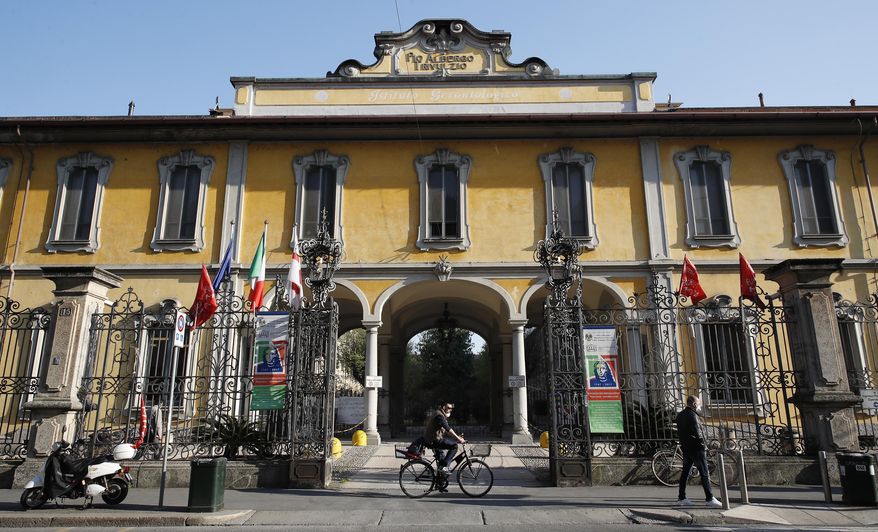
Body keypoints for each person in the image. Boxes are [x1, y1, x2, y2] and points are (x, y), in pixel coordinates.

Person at [676, 395, 722, 508]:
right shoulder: (693, 415)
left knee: (685, 473)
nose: (700, 406)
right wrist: (704, 446)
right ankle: (709, 498)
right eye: (699, 403)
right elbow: (698, 434)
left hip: (686, 447)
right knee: (704, 472)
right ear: (694, 404)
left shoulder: (680, 415)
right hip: (696, 448)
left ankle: (682, 497)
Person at [423, 402, 466, 485]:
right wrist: (458, 439)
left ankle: (440, 483)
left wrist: (457, 437)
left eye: (451, 408)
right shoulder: (439, 416)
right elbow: (448, 429)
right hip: (433, 440)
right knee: (454, 446)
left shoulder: (440, 415)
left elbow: (444, 431)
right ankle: (444, 467)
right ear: (443, 407)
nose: (450, 410)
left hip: (432, 439)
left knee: (442, 459)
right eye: (449, 408)